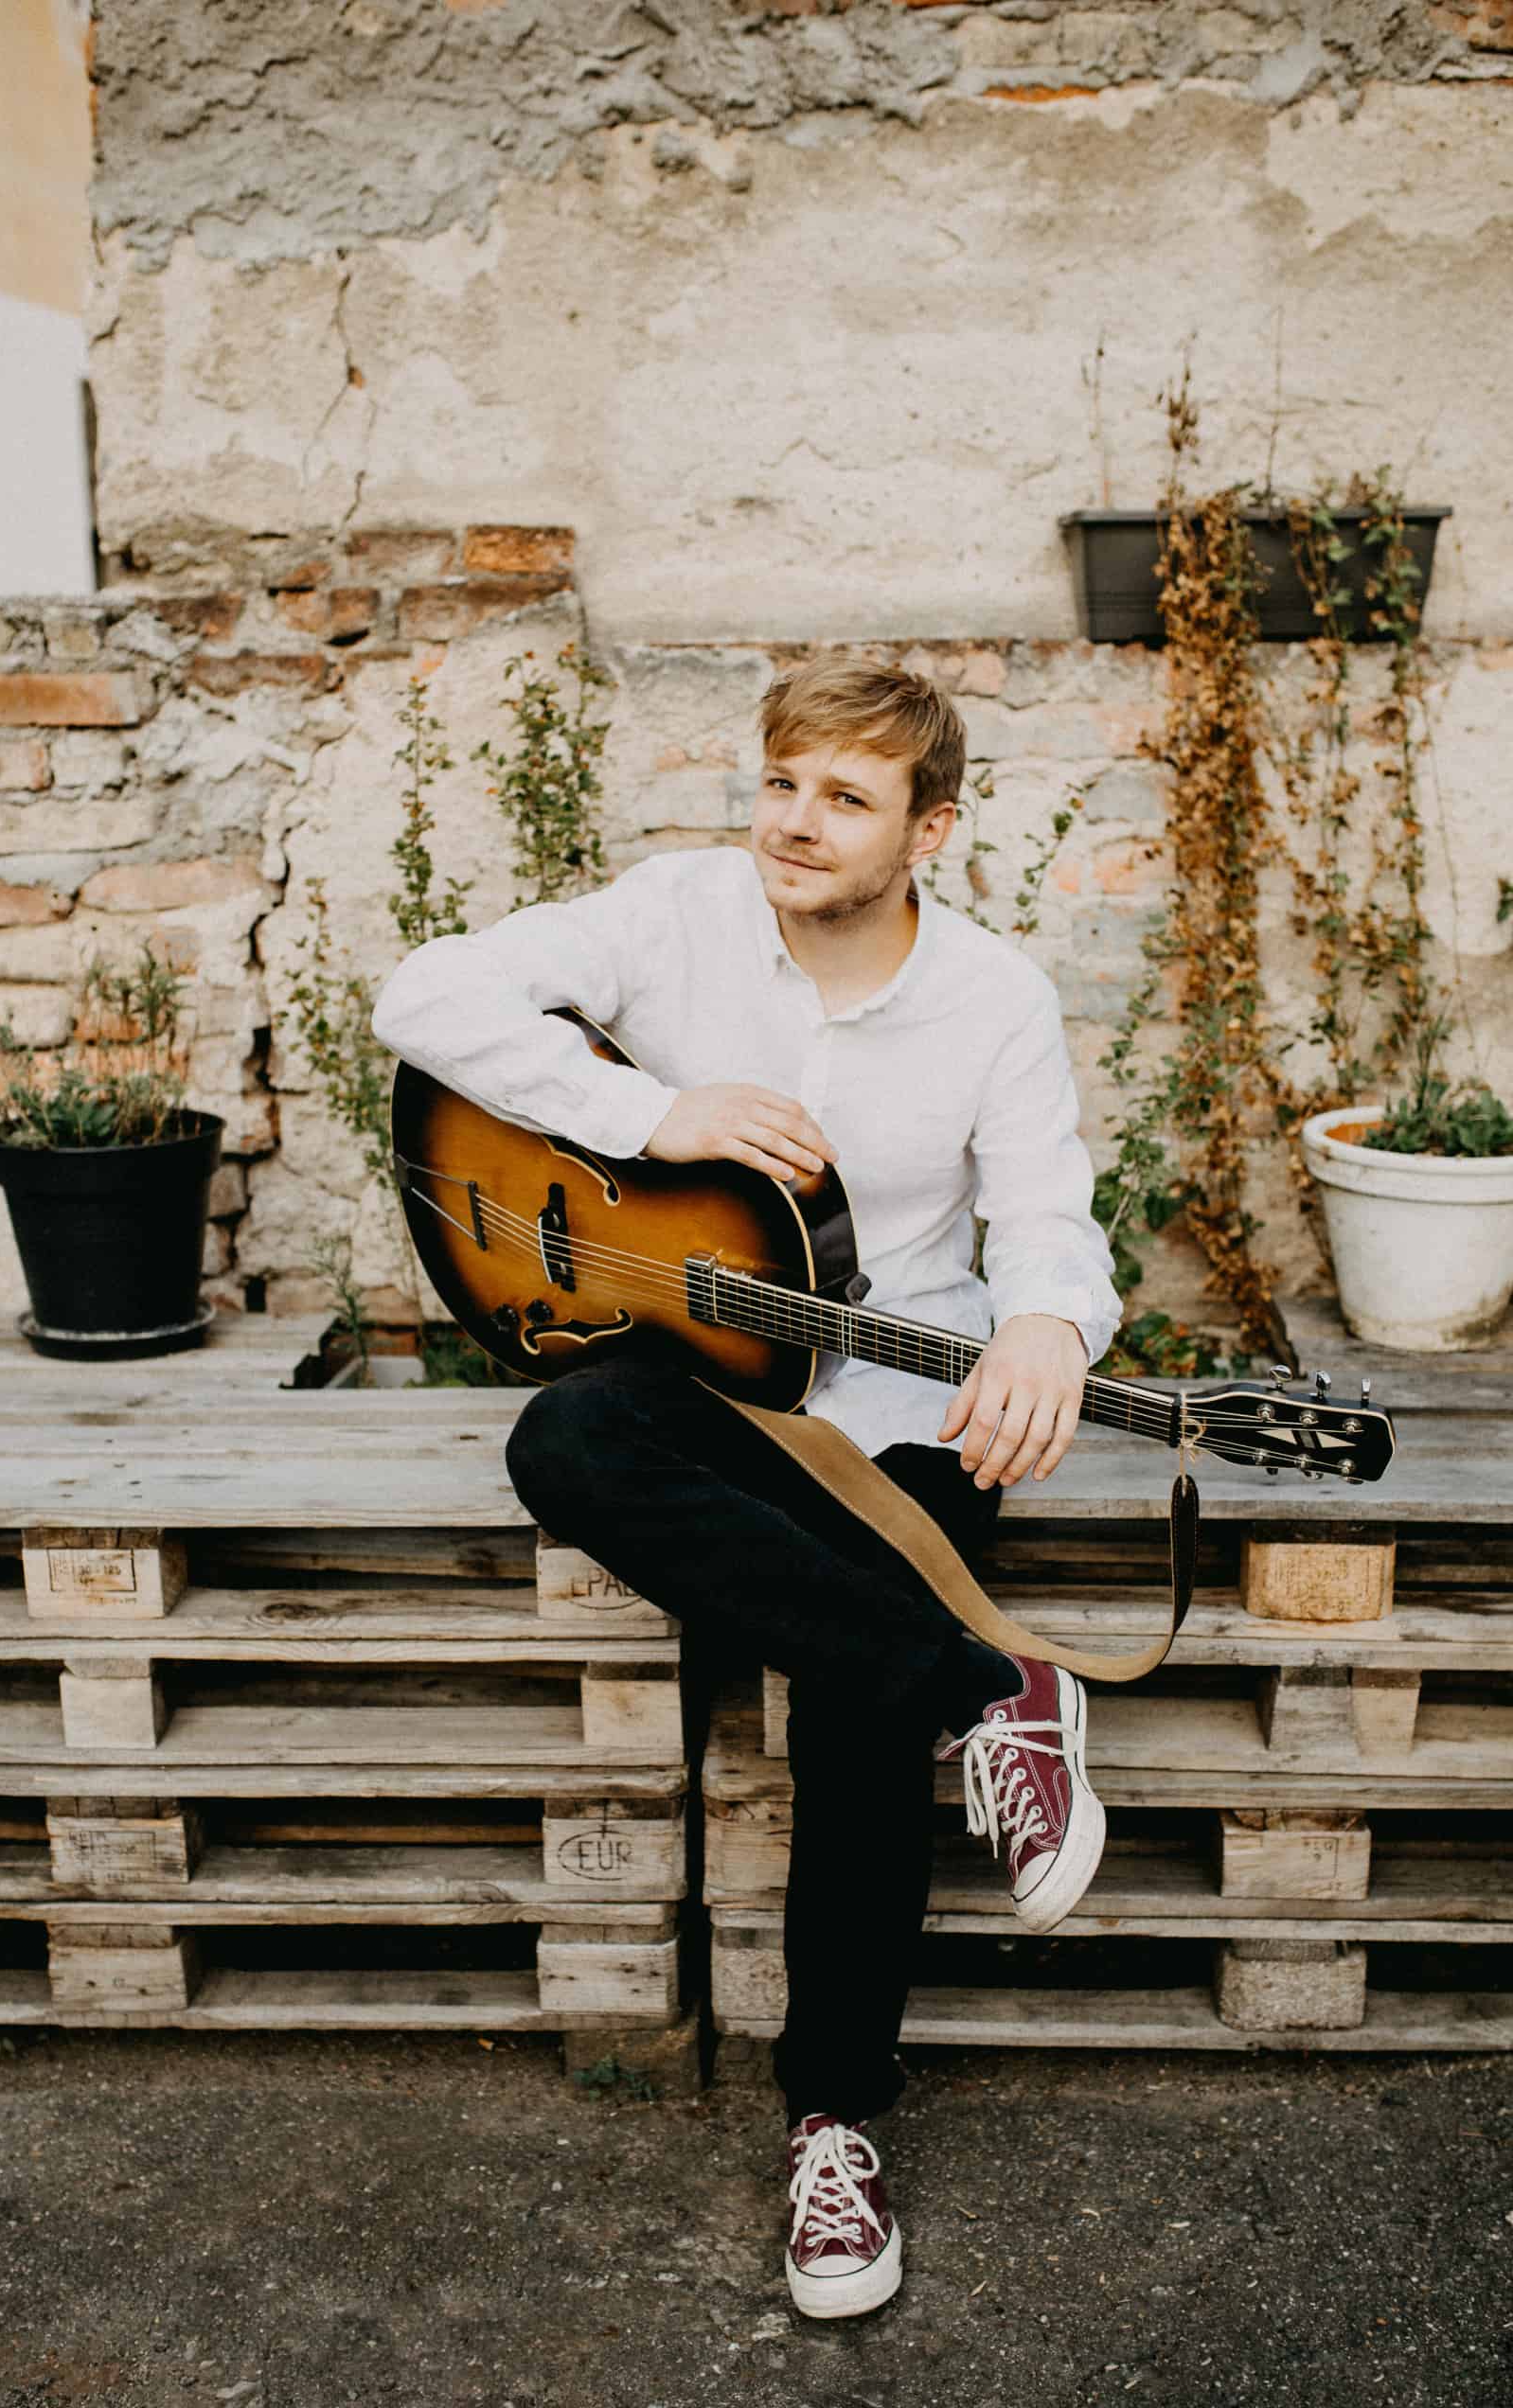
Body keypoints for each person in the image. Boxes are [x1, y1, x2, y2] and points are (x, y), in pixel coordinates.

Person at [369, 659, 1122, 2323]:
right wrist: (649, 1111)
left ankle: (832, 2126)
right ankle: (989, 1693)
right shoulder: (677, 914)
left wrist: (1049, 1325)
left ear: (931, 830)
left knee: (849, 1703)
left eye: (846, 798)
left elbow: (1046, 1214)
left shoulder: (995, 999)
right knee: (563, 1442)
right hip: (712, 1377)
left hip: (906, 1405)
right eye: (782, 783)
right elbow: (424, 996)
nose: (795, 822)